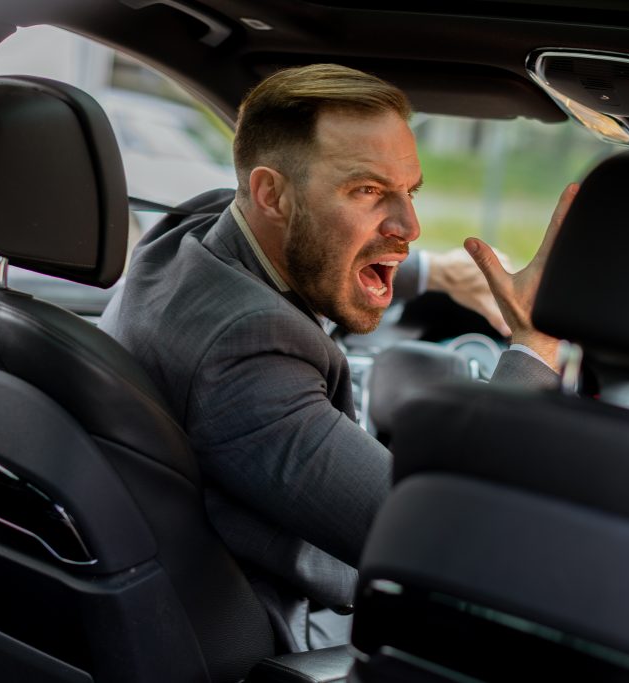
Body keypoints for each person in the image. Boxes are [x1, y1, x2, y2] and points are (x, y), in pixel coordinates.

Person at [99, 63, 573, 651]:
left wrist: (435, 273)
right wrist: (534, 343)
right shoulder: (244, 353)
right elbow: (443, 534)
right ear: (272, 193)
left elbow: (304, 250)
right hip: (289, 637)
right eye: (367, 190)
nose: (410, 226)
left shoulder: (193, 235)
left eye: (410, 191)